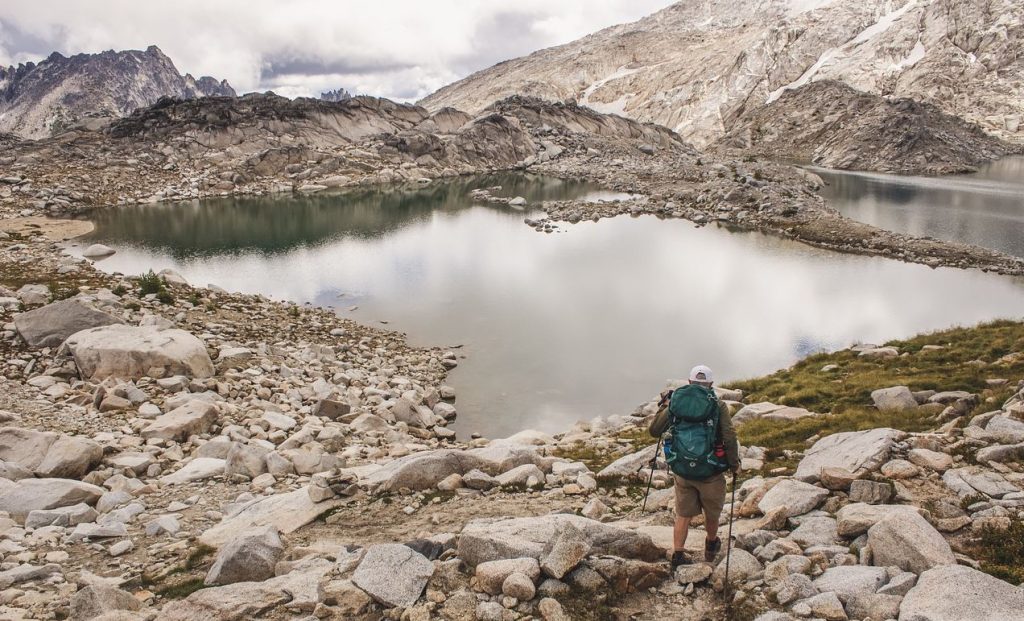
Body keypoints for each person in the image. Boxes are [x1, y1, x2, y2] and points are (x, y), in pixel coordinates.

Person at [648, 364, 739, 567]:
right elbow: (729, 436)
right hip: (711, 471)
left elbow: (655, 431)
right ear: (711, 384)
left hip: (683, 470)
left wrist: (665, 406)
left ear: (689, 382)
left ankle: (678, 554)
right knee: (712, 513)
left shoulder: (677, 401)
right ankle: (710, 546)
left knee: (683, 514)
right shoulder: (718, 404)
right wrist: (734, 464)